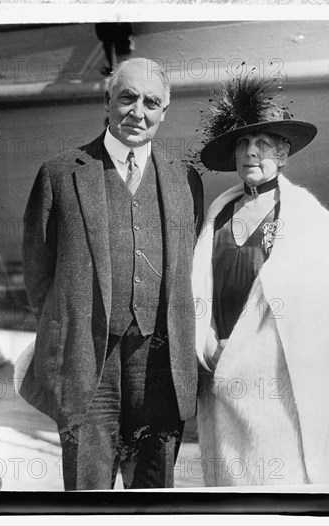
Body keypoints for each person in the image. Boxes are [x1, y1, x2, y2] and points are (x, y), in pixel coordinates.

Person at [18, 58, 203, 490]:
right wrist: (69, 328)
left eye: (151, 103)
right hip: (87, 359)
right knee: (87, 487)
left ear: (164, 112)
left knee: (153, 489)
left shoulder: (185, 178)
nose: (138, 112)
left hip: (159, 359)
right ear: (107, 100)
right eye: (128, 97)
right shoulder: (61, 173)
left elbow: (186, 264)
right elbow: (38, 274)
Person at [192, 75, 329, 486]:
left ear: (284, 153)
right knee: (227, 487)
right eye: (242, 143)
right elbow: (199, 287)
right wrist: (204, 337)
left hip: (274, 383)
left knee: (275, 483)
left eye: (262, 142)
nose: (251, 151)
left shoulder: (304, 222)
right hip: (218, 375)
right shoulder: (218, 215)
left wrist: (244, 353)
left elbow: (307, 320)